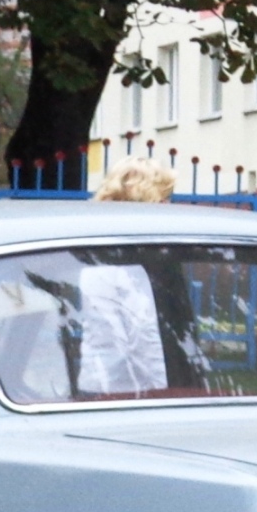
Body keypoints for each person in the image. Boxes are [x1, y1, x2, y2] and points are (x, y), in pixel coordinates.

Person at [77, 158, 175, 394]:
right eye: (163, 199)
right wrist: (162, 391)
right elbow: (137, 343)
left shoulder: (148, 259)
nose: (169, 206)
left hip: (116, 387)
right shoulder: (115, 267)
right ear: (146, 202)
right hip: (118, 392)